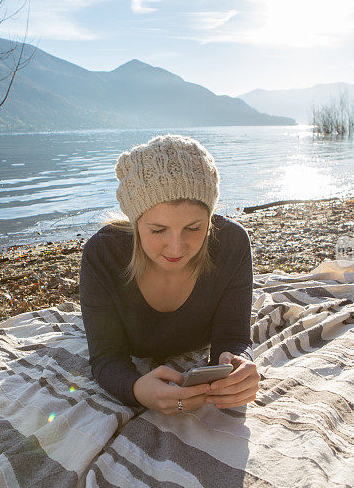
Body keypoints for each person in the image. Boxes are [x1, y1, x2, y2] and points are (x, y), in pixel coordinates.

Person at [79, 134, 260, 414]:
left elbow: (233, 336)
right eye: (158, 230)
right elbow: (106, 355)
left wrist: (238, 364)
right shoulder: (103, 255)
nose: (176, 247)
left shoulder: (231, 244)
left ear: (210, 218)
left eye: (194, 227)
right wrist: (136, 389)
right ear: (136, 221)